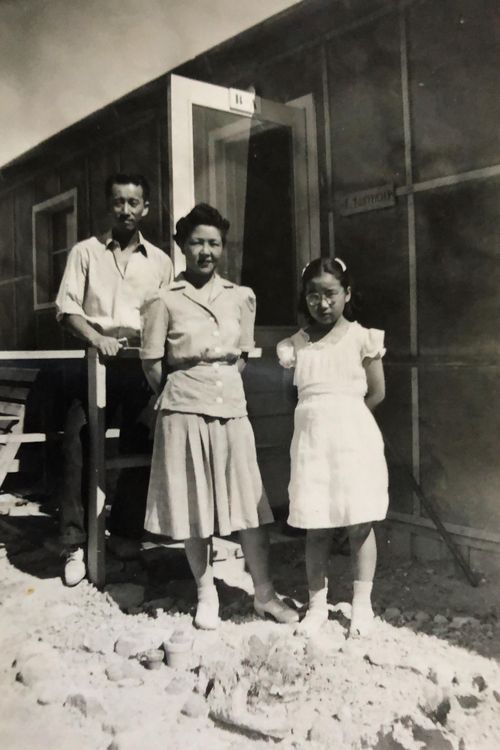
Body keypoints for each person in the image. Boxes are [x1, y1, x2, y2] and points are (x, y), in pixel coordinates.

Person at [140, 203, 299, 630]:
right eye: (197, 242)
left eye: (214, 243)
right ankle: (205, 592)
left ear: (222, 247)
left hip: (231, 408)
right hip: (184, 409)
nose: (205, 251)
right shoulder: (163, 299)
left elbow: (241, 357)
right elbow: (153, 364)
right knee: (194, 505)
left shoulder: (241, 297)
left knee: (251, 505)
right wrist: (184, 393)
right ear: (181, 246)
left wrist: (219, 386)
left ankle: (264, 595)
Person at [55, 173, 173, 586]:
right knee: (79, 443)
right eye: (119, 202)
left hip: (139, 365)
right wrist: (97, 337)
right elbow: (67, 309)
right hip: (95, 360)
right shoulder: (85, 253)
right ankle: (74, 543)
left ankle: (124, 533)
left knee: (142, 441)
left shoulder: (160, 262)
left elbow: (167, 316)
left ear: (146, 208)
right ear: (110, 206)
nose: (126, 209)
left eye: (134, 202)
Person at [277, 257, 388, 638]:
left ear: (347, 294)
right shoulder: (295, 346)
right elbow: (294, 397)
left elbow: (377, 392)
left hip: (354, 442)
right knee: (316, 524)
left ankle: (362, 605)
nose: (322, 304)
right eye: (313, 295)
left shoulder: (362, 338)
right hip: (311, 444)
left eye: (330, 294)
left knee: (360, 522)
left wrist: (346, 419)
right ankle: (317, 605)